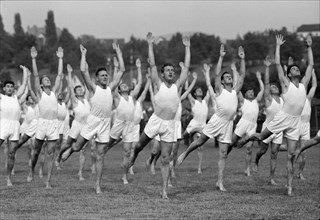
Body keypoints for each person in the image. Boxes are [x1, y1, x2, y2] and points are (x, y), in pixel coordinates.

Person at [237, 34, 313, 196]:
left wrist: (309, 47)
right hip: (282, 118)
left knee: (291, 154)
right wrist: (278, 46)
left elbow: (311, 64)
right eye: (293, 69)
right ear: (289, 75)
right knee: (259, 137)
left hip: (295, 122)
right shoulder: (286, 85)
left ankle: (289, 186)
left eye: (297, 68)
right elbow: (278, 64)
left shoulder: (304, 84)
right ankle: (248, 138)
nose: (296, 69)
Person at [124, 32, 191, 199]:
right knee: (139, 146)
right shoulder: (158, 83)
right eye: (167, 70)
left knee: (166, 158)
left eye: (172, 70)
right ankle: (134, 157)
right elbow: (152, 64)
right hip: (155, 121)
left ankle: (164, 191)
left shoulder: (177, 86)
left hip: (169, 125)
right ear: (162, 74)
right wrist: (150, 44)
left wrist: (187, 48)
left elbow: (187, 68)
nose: (170, 72)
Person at [177, 44, 246, 192]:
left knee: (223, 154)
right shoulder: (219, 89)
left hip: (228, 124)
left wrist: (243, 59)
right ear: (222, 82)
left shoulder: (234, 91)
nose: (229, 78)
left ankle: (220, 182)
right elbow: (216, 74)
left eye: (230, 77)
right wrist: (221, 57)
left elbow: (242, 77)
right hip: (217, 120)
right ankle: (186, 153)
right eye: (226, 77)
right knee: (200, 141)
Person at [59, 43, 125, 194]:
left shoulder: (111, 88)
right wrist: (83, 54)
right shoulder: (93, 88)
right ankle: (69, 151)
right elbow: (83, 70)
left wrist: (119, 53)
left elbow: (122, 70)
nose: (105, 77)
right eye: (102, 75)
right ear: (96, 79)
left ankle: (98, 185)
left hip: (105, 124)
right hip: (92, 121)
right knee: (76, 147)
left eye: (106, 75)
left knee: (100, 156)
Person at [27, 46, 64, 189]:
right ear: (41, 84)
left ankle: (48, 181)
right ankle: (31, 170)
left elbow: (60, 76)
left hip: (53, 124)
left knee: (50, 153)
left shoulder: (54, 92)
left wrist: (60, 59)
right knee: (36, 151)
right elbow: (36, 76)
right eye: (45, 80)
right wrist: (34, 59)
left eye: (49, 79)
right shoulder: (40, 92)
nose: (48, 80)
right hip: (42, 124)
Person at [55, 64, 91, 181]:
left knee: (83, 150)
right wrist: (70, 74)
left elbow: (88, 84)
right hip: (76, 125)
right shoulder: (75, 101)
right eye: (78, 89)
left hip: (86, 127)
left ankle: (80, 173)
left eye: (81, 89)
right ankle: (59, 156)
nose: (80, 90)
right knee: (66, 144)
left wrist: (87, 70)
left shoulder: (87, 101)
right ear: (75, 93)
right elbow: (70, 87)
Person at [252, 56, 284, 185]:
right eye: (273, 87)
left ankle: (271, 177)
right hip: (267, 128)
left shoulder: (282, 99)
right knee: (262, 151)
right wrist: (266, 67)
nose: (274, 87)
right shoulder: (268, 99)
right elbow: (266, 84)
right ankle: (256, 160)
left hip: (279, 130)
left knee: (274, 153)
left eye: (276, 86)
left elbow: (285, 83)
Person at [0, 65, 29, 186]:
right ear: (4, 88)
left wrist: (25, 72)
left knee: (11, 153)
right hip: (3, 125)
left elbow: (24, 85)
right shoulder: (1, 97)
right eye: (8, 87)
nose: (10, 88)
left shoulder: (17, 98)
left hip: (15, 127)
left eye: (12, 87)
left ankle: (8, 178)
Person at [232, 70, 264, 176]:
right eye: (249, 92)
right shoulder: (243, 101)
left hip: (252, 126)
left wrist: (259, 79)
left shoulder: (256, 101)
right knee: (232, 143)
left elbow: (263, 89)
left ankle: (247, 169)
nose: (251, 92)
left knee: (249, 148)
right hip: (243, 123)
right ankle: (225, 153)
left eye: (252, 91)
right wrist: (235, 75)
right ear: (245, 94)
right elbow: (237, 89)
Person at [296, 69, 317, 180]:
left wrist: (312, 72)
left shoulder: (308, 99)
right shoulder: (295, 97)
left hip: (305, 127)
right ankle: (277, 147)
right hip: (296, 125)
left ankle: (300, 173)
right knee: (292, 150)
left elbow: (314, 85)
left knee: (304, 153)